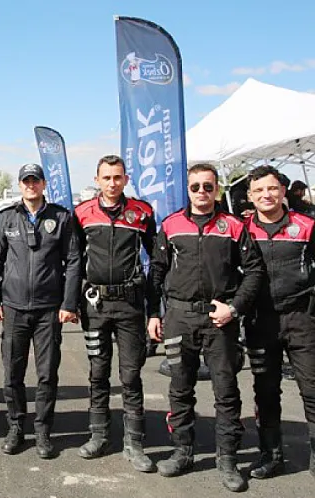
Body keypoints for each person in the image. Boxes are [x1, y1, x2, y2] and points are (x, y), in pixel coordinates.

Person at [148, 163, 264, 492]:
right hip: (179, 318)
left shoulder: (233, 226)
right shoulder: (171, 225)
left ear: (217, 190)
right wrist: (154, 315)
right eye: (196, 186)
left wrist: (235, 308)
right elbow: (156, 272)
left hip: (220, 318)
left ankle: (227, 459)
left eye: (208, 186)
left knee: (226, 392)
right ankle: (182, 451)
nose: (202, 192)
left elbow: (254, 272)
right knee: (180, 389)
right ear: (188, 190)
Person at [0, 164, 81, 458]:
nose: (31, 185)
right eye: (26, 181)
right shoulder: (7, 219)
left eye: (35, 180)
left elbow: (75, 261)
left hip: (48, 311)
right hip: (14, 308)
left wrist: (69, 304)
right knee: (12, 373)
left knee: (47, 374)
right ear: (20, 184)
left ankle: (42, 431)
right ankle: (16, 427)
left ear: (43, 184)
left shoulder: (61, 218)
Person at [72, 155, 157, 472]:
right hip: (95, 306)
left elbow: (157, 263)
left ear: (126, 179)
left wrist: (154, 309)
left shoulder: (142, 212)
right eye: (106, 177)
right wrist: (71, 302)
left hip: (130, 306)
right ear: (97, 179)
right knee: (97, 372)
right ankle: (99, 435)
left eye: (117, 177)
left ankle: (134, 443)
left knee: (131, 375)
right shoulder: (81, 214)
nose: (112, 183)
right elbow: (73, 261)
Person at [243, 165, 315, 480]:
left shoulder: (307, 225)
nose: (266, 195)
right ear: (249, 196)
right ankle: (271, 456)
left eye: (271, 189)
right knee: (266, 392)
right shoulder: (242, 229)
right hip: (260, 321)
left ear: (283, 191)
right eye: (258, 191)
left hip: (302, 319)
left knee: (312, 390)